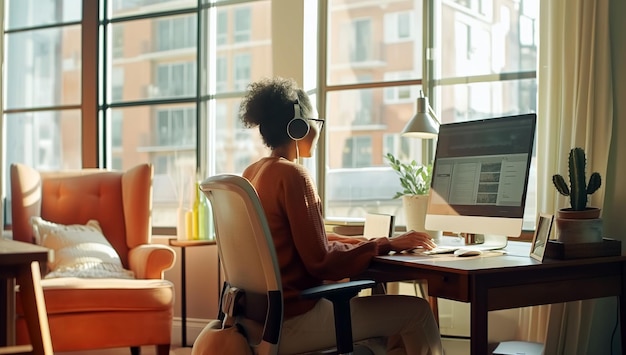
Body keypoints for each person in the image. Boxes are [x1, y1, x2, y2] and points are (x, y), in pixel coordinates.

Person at [240, 77, 443, 355]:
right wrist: (384, 245)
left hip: (263, 321)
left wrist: (366, 242)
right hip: (295, 321)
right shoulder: (293, 175)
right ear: (299, 125)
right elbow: (321, 262)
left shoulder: (253, 173)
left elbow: (303, 241)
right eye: (315, 122)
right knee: (418, 312)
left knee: (392, 321)